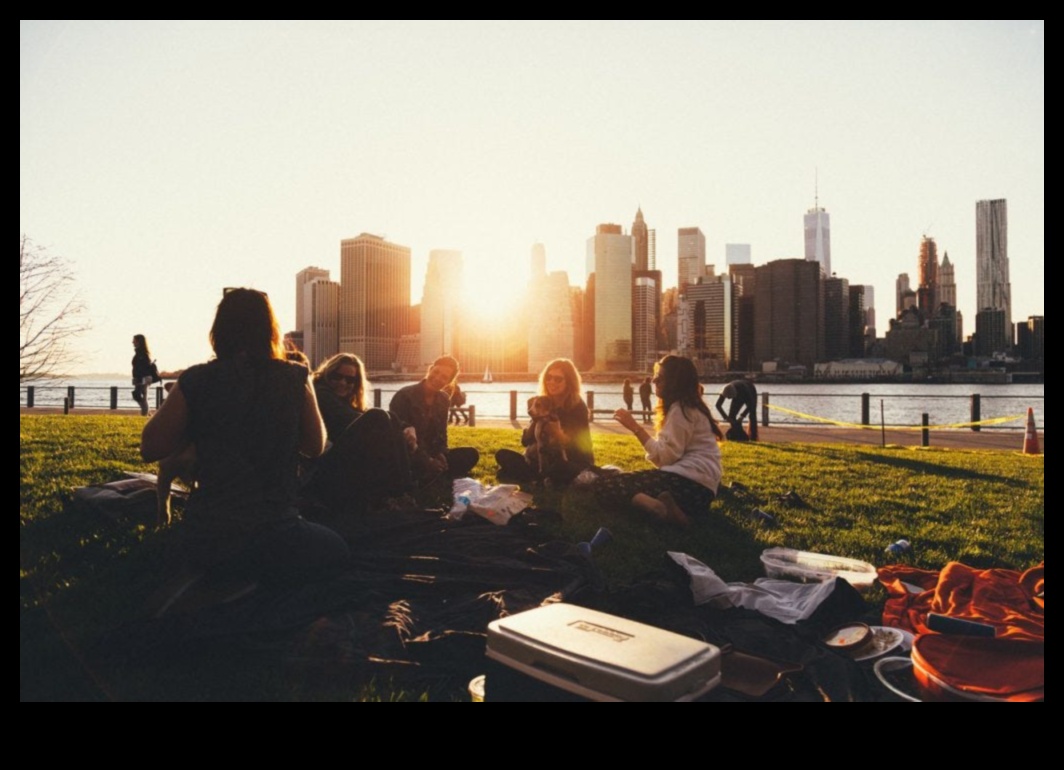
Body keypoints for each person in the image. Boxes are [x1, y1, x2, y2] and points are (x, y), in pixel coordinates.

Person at [140, 288, 348, 590]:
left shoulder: (195, 379)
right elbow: (314, 447)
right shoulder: (295, 377)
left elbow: (151, 447)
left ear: (218, 331)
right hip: (276, 532)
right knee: (337, 550)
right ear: (270, 330)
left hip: (208, 535)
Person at [595, 355, 723, 526]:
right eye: (655, 375)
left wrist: (635, 427)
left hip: (686, 484)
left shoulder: (681, 410)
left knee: (606, 484)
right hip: (702, 493)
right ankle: (677, 513)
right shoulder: (692, 408)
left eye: (659, 378)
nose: (654, 380)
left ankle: (659, 509)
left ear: (674, 383)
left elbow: (665, 458)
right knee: (627, 482)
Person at [310, 353, 412, 512]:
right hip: (322, 467)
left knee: (389, 417)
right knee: (379, 417)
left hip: (338, 462)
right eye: (337, 377)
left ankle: (400, 492)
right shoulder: (321, 394)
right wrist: (395, 429)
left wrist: (405, 427)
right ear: (327, 374)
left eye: (350, 380)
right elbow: (351, 419)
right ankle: (399, 492)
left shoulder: (343, 401)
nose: (343, 383)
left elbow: (360, 416)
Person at [495, 358, 594, 484]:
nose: (552, 382)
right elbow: (525, 441)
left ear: (569, 382)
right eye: (549, 377)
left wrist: (557, 434)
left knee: (559, 468)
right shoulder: (542, 402)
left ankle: (532, 476)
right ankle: (536, 476)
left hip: (571, 459)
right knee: (502, 455)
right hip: (541, 458)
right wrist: (533, 424)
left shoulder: (577, 407)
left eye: (558, 379)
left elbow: (577, 446)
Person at [389, 355, 479, 482]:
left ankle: (433, 472)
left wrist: (441, 453)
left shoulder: (444, 399)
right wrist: (428, 461)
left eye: (444, 377)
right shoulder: (404, 395)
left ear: (448, 382)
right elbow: (402, 439)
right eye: (436, 372)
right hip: (408, 453)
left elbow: (442, 434)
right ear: (430, 369)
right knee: (406, 463)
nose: (437, 378)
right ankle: (428, 473)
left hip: (430, 451)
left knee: (471, 454)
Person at [131, 334, 155, 416]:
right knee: (139, 395)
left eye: (134, 340)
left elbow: (143, 367)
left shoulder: (142, 354)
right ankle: (147, 412)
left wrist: (139, 378)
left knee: (140, 395)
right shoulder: (139, 353)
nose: (132, 342)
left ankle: (145, 413)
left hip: (143, 378)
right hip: (140, 378)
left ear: (138, 341)